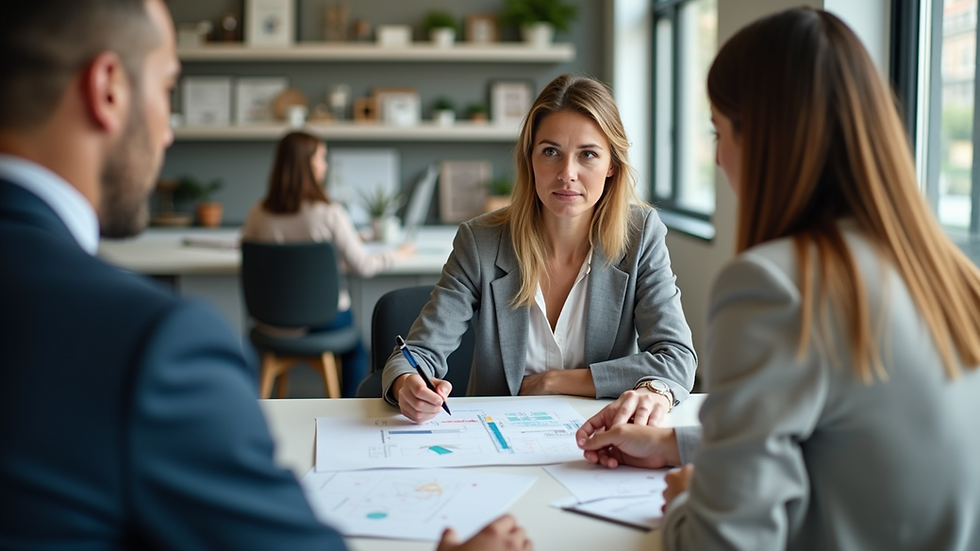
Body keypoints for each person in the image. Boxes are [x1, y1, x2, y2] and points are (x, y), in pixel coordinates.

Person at [0, 1, 531, 550]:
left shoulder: (255, 213)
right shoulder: (153, 345)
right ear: (109, 89)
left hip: (269, 331)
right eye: (166, 89)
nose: (169, 132)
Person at [577, 7, 980, 551]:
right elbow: (849, 441)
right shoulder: (945, 271)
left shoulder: (773, 286)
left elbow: (722, 541)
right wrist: (678, 444)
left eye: (721, 132)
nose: (719, 159)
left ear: (767, 139)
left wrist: (694, 499)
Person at [383, 74, 697, 423]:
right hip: (497, 440)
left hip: (600, 439)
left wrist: (555, 381)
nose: (567, 173)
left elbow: (677, 357)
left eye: (588, 154)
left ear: (611, 165)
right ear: (530, 159)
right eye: (551, 152)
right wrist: (406, 383)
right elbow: (416, 354)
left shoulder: (640, 237)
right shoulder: (481, 241)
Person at [241, 131, 413, 397]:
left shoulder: (257, 212)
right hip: (323, 319)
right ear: (306, 164)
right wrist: (397, 254)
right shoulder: (329, 213)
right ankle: (349, 407)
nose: (325, 165)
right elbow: (364, 266)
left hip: (270, 321)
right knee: (356, 350)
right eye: (321, 158)